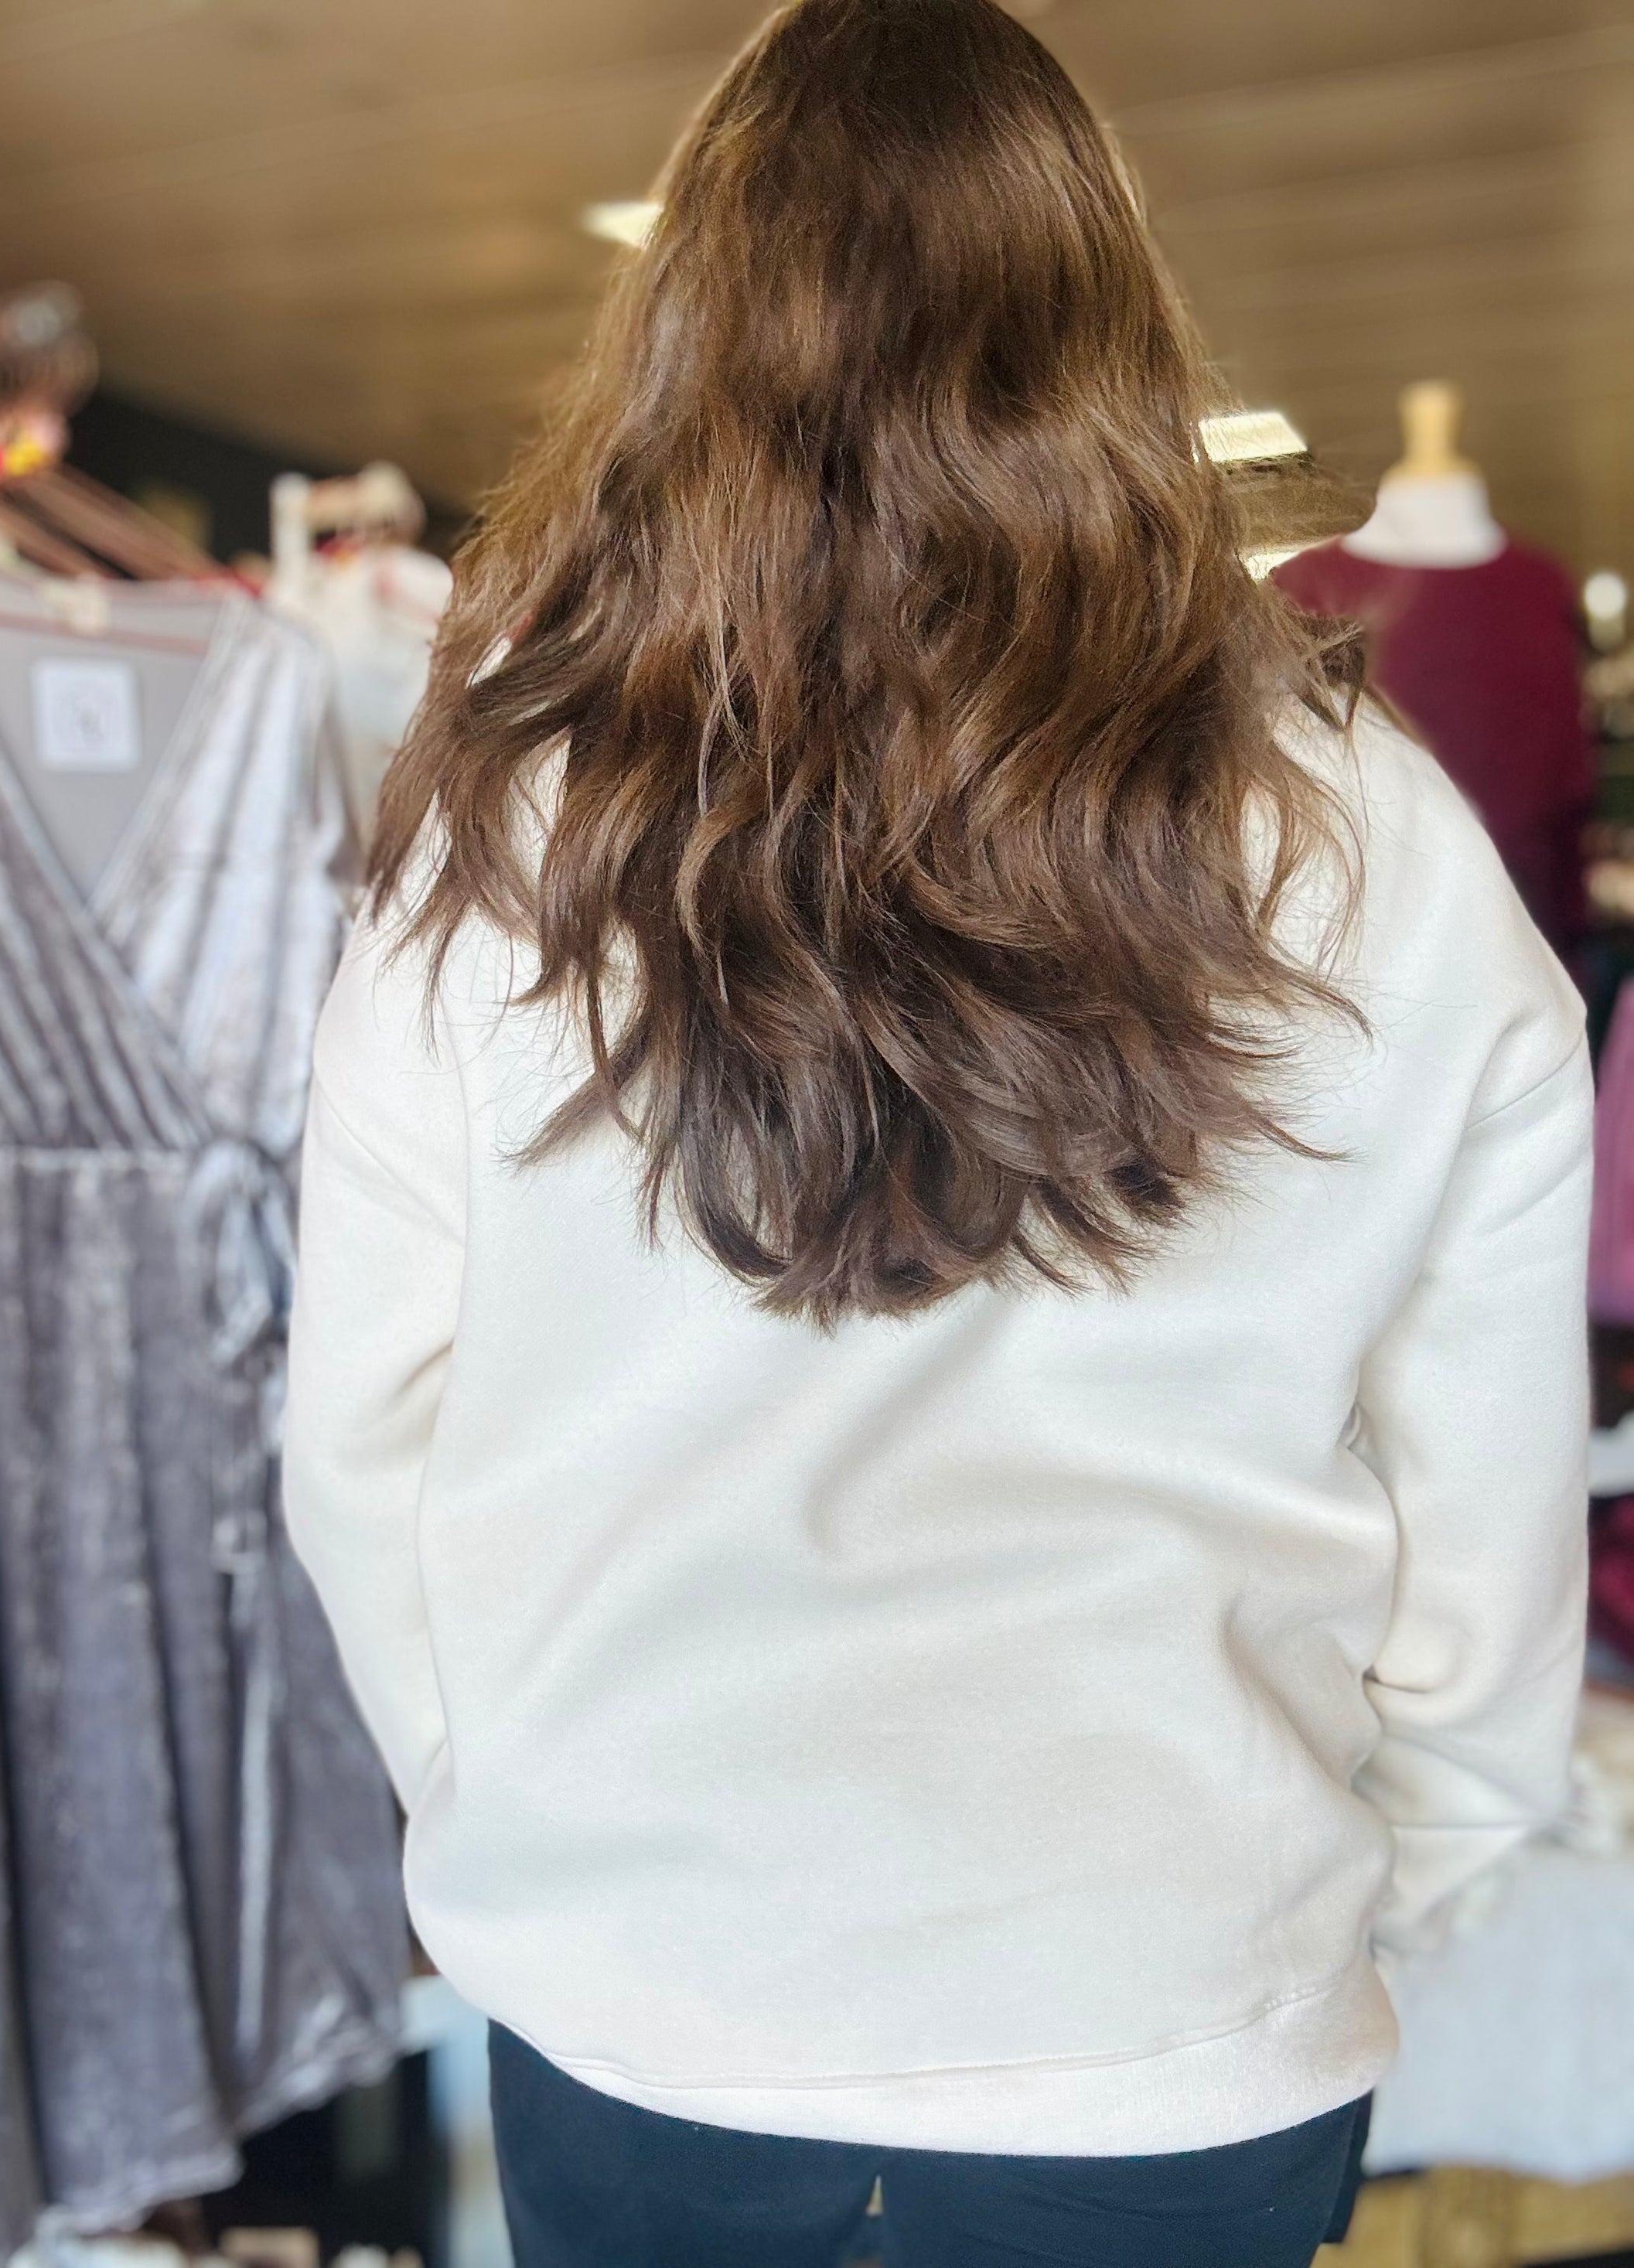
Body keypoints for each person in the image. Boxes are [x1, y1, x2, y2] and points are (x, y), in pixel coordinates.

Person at [281, 3, 1591, 2262]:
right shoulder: (1362, 833)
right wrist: (1406, 1854)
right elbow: (1479, 1477)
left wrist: (526, 1820)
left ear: (678, 329)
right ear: (1114, 324)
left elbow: (369, 1449)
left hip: (647, 1988)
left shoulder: (511, 830)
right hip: (1182, 1996)